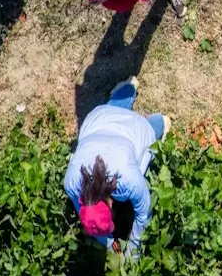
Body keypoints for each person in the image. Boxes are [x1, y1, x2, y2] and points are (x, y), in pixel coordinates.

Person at [63, 76, 170, 258]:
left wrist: (133, 252)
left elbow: (144, 213)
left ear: (110, 205)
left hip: (136, 129)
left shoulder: (128, 180)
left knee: (157, 127)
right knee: (113, 111)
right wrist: (108, 241)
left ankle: (159, 121)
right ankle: (129, 87)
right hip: (98, 118)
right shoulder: (72, 181)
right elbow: (84, 211)